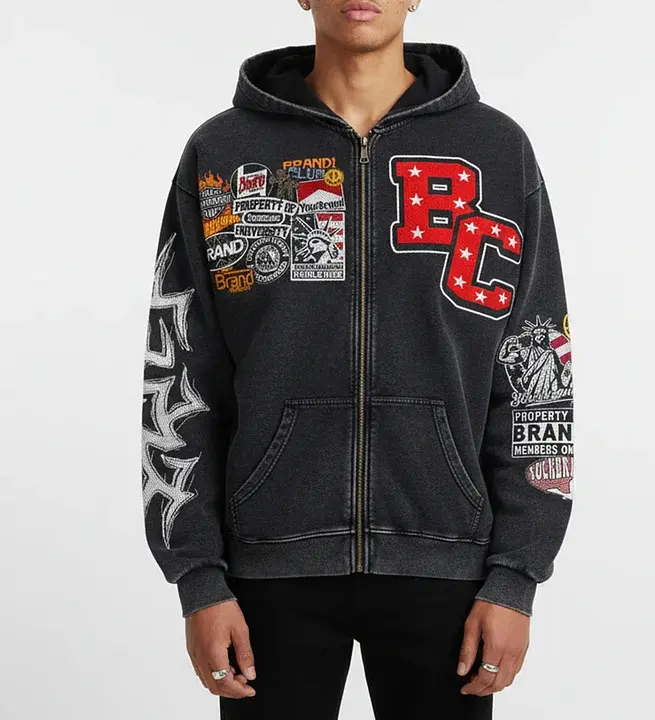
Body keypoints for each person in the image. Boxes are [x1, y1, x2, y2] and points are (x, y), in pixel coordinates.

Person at [140, 1, 575, 718]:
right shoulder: (224, 152)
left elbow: (536, 363)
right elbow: (182, 367)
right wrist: (198, 577)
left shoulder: (495, 150)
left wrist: (517, 574)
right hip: (266, 564)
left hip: (447, 561)